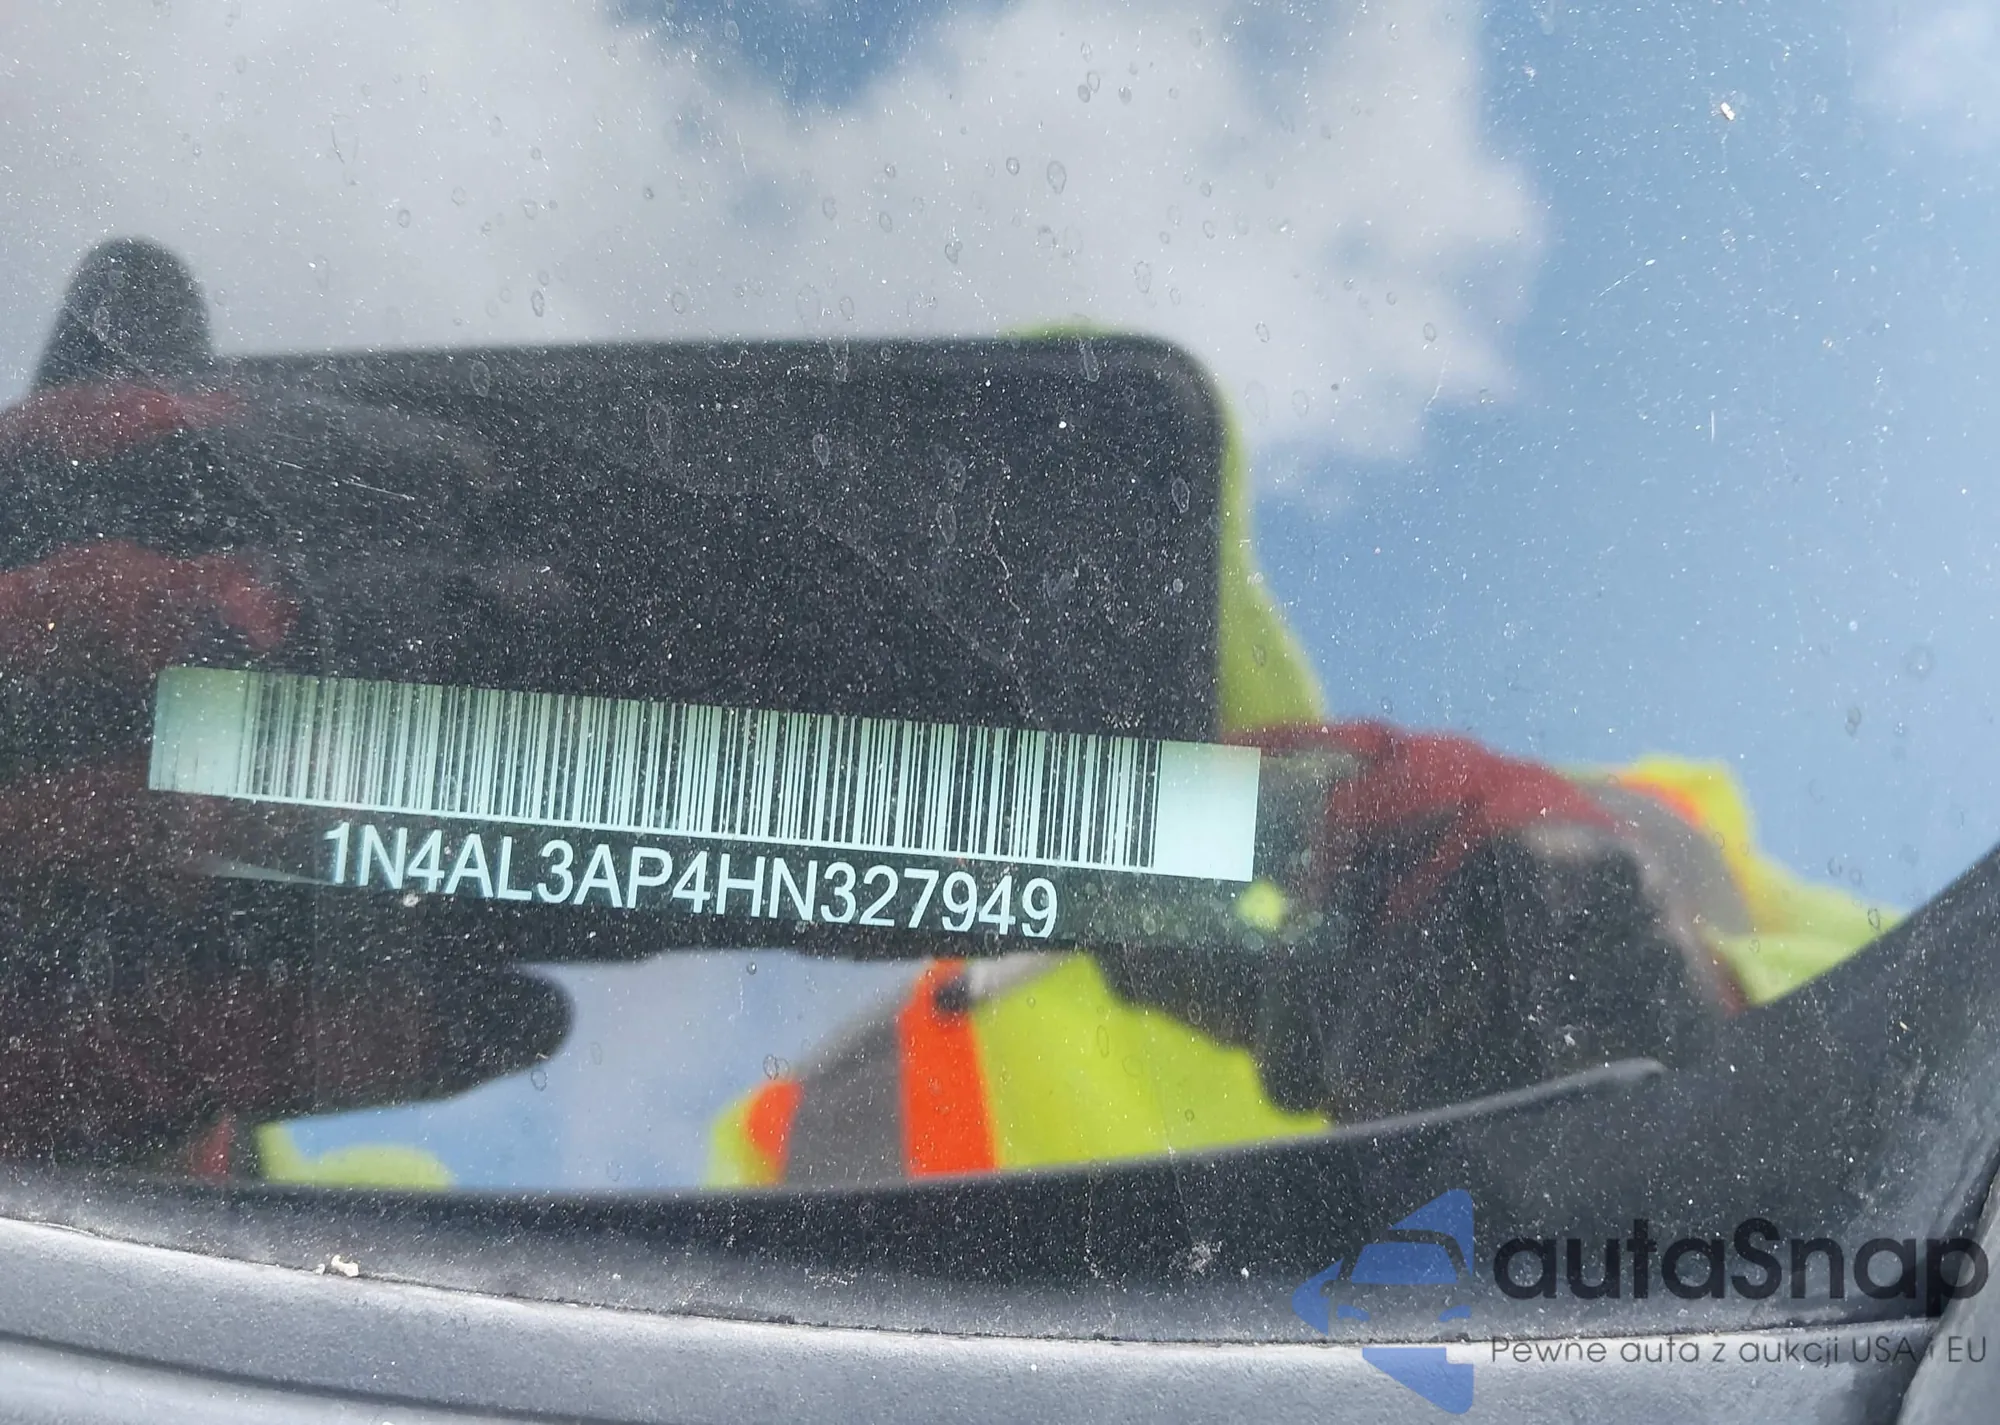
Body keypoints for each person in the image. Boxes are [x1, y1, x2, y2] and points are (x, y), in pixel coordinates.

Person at [704, 410, 1893, 1188]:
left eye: (1038, 573)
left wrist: (1692, 1013)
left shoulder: (1617, 823)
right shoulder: (821, 1131)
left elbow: (1939, 1038)